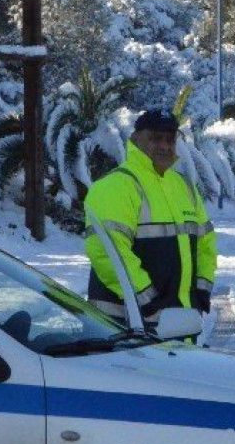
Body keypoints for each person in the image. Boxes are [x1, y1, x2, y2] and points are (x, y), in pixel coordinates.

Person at [84, 109, 217, 325]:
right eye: (155, 138)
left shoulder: (183, 186)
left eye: (170, 139)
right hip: (125, 328)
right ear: (135, 139)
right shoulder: (115, 186)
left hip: (179, 324)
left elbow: (206, 243)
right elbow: (107, 252)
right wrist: (147, 301)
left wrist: (201, 290)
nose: (164, 146)